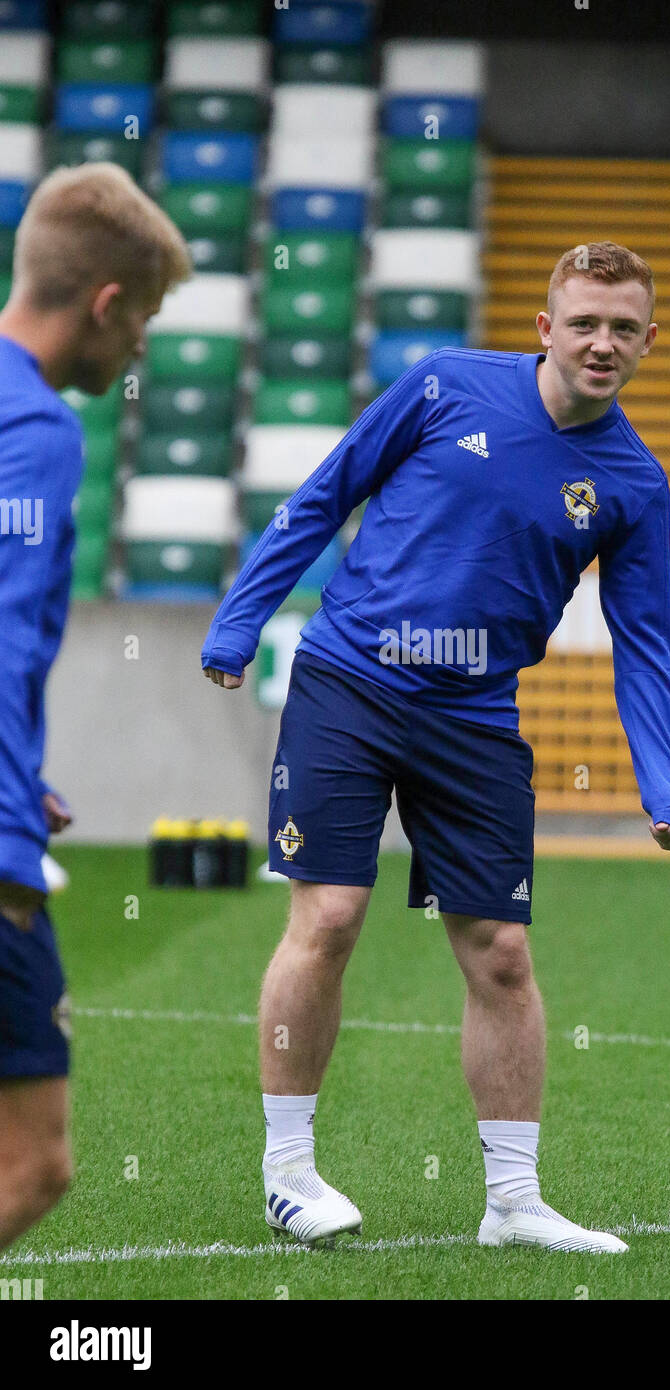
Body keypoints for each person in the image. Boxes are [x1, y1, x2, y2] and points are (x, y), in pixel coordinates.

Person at [202, 241, 670, 1253]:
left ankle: (512, 1201)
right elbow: (326, 493)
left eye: (623, 327)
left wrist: (661, 784)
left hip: (473, 718)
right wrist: (237, 624)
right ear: (544, 328)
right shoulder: (442, 385)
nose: (602, 342)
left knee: (500, 954)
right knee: (329, 915)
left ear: (648, 341)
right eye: (584, 322)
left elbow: (644, 643)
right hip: (348, 680)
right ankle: (287, 1172)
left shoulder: (634, 483)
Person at [0, 164, 191, 1252]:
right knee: (31, 1162)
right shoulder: (35, 429)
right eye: (145, 321)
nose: (140, 352)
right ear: (107, 302)